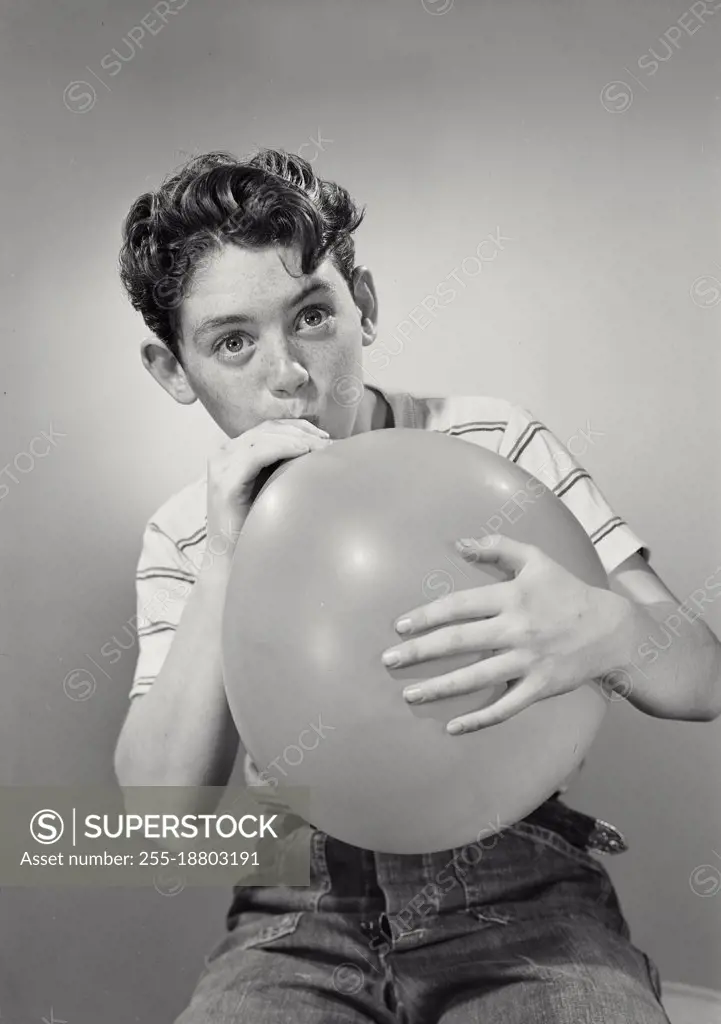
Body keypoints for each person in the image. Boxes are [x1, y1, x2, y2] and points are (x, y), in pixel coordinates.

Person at [113, 148, 721, 1024]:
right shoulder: (185, 529)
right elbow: (157, 816)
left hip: (521, 883)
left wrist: (605, 628)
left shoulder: (495, 446)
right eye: (233, 342)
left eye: (312, 315)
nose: (287, 373)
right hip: (299, 906)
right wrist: (221, 560)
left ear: (363, 306)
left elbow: (701, 680)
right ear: (174, 369)